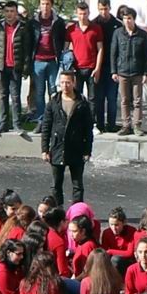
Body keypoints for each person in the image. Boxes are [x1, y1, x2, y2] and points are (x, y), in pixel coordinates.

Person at [41, 66, 97, 208]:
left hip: (76, 149)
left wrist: (87, 151)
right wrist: (44, 149)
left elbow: (88, 130)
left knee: (77, 184)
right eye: (62, 82)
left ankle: (77, 210)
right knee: (56, 184)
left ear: (74, 83)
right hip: (57, 148)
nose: (65, 86)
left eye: (68, 82)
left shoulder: (82, 104)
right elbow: (46, 127)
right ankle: (57, 210)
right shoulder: (53, 103)